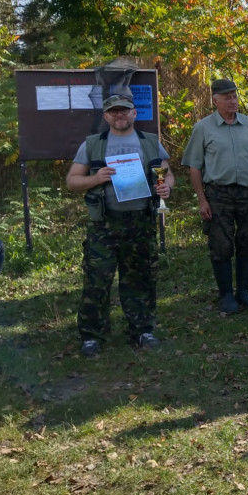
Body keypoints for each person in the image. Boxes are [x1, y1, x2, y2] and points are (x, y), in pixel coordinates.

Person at [66, 93, 175, 356]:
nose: (119, 115)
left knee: (140, 279)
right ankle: (92, 336)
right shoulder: (93, 145)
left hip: (141, 222)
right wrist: (96, 178)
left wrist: (166, 189)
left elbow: (167, 174)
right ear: (106, 116)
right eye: (113, 111)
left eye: (124, 110)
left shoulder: (150, 143)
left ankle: (142, 331)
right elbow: (72, 181)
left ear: (134, 113)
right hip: (105, 226)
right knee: (96, 282)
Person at [183, 79, 248, 314]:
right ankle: (226, 295)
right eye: (227, 97)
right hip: (218, 194)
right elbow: (194, 167)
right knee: (221, 244)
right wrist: (202, 199)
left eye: (235, 96)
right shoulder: (203, 128)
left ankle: (243, 291)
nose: (233, 101)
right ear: (215, 100)